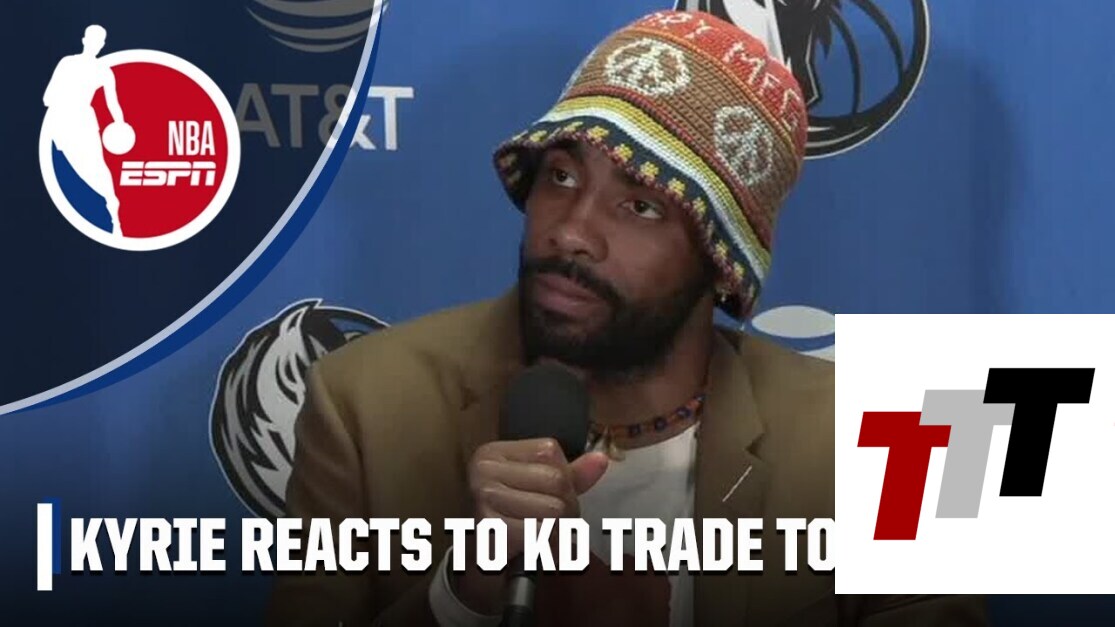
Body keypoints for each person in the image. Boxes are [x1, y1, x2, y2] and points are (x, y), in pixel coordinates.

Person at [267, 10, 987, 627]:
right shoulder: (365, 404)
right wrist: (463, 594)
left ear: (723, 261)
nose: (570, 232)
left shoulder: (877, 440)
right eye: (561, 176)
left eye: (641, 205)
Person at [43, 24, 126, 234]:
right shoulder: (68, 63)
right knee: (77, 167)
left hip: (82, 122)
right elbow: (47, 97)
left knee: (97, 166)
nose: (96, 44)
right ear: (85, 40)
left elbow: (113, 104)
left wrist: (121, 124)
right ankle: (109, 209)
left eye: (99, 41)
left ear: (102, 44)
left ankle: (113, 214)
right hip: (65, 121)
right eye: (94, 40)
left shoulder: (102, 71)